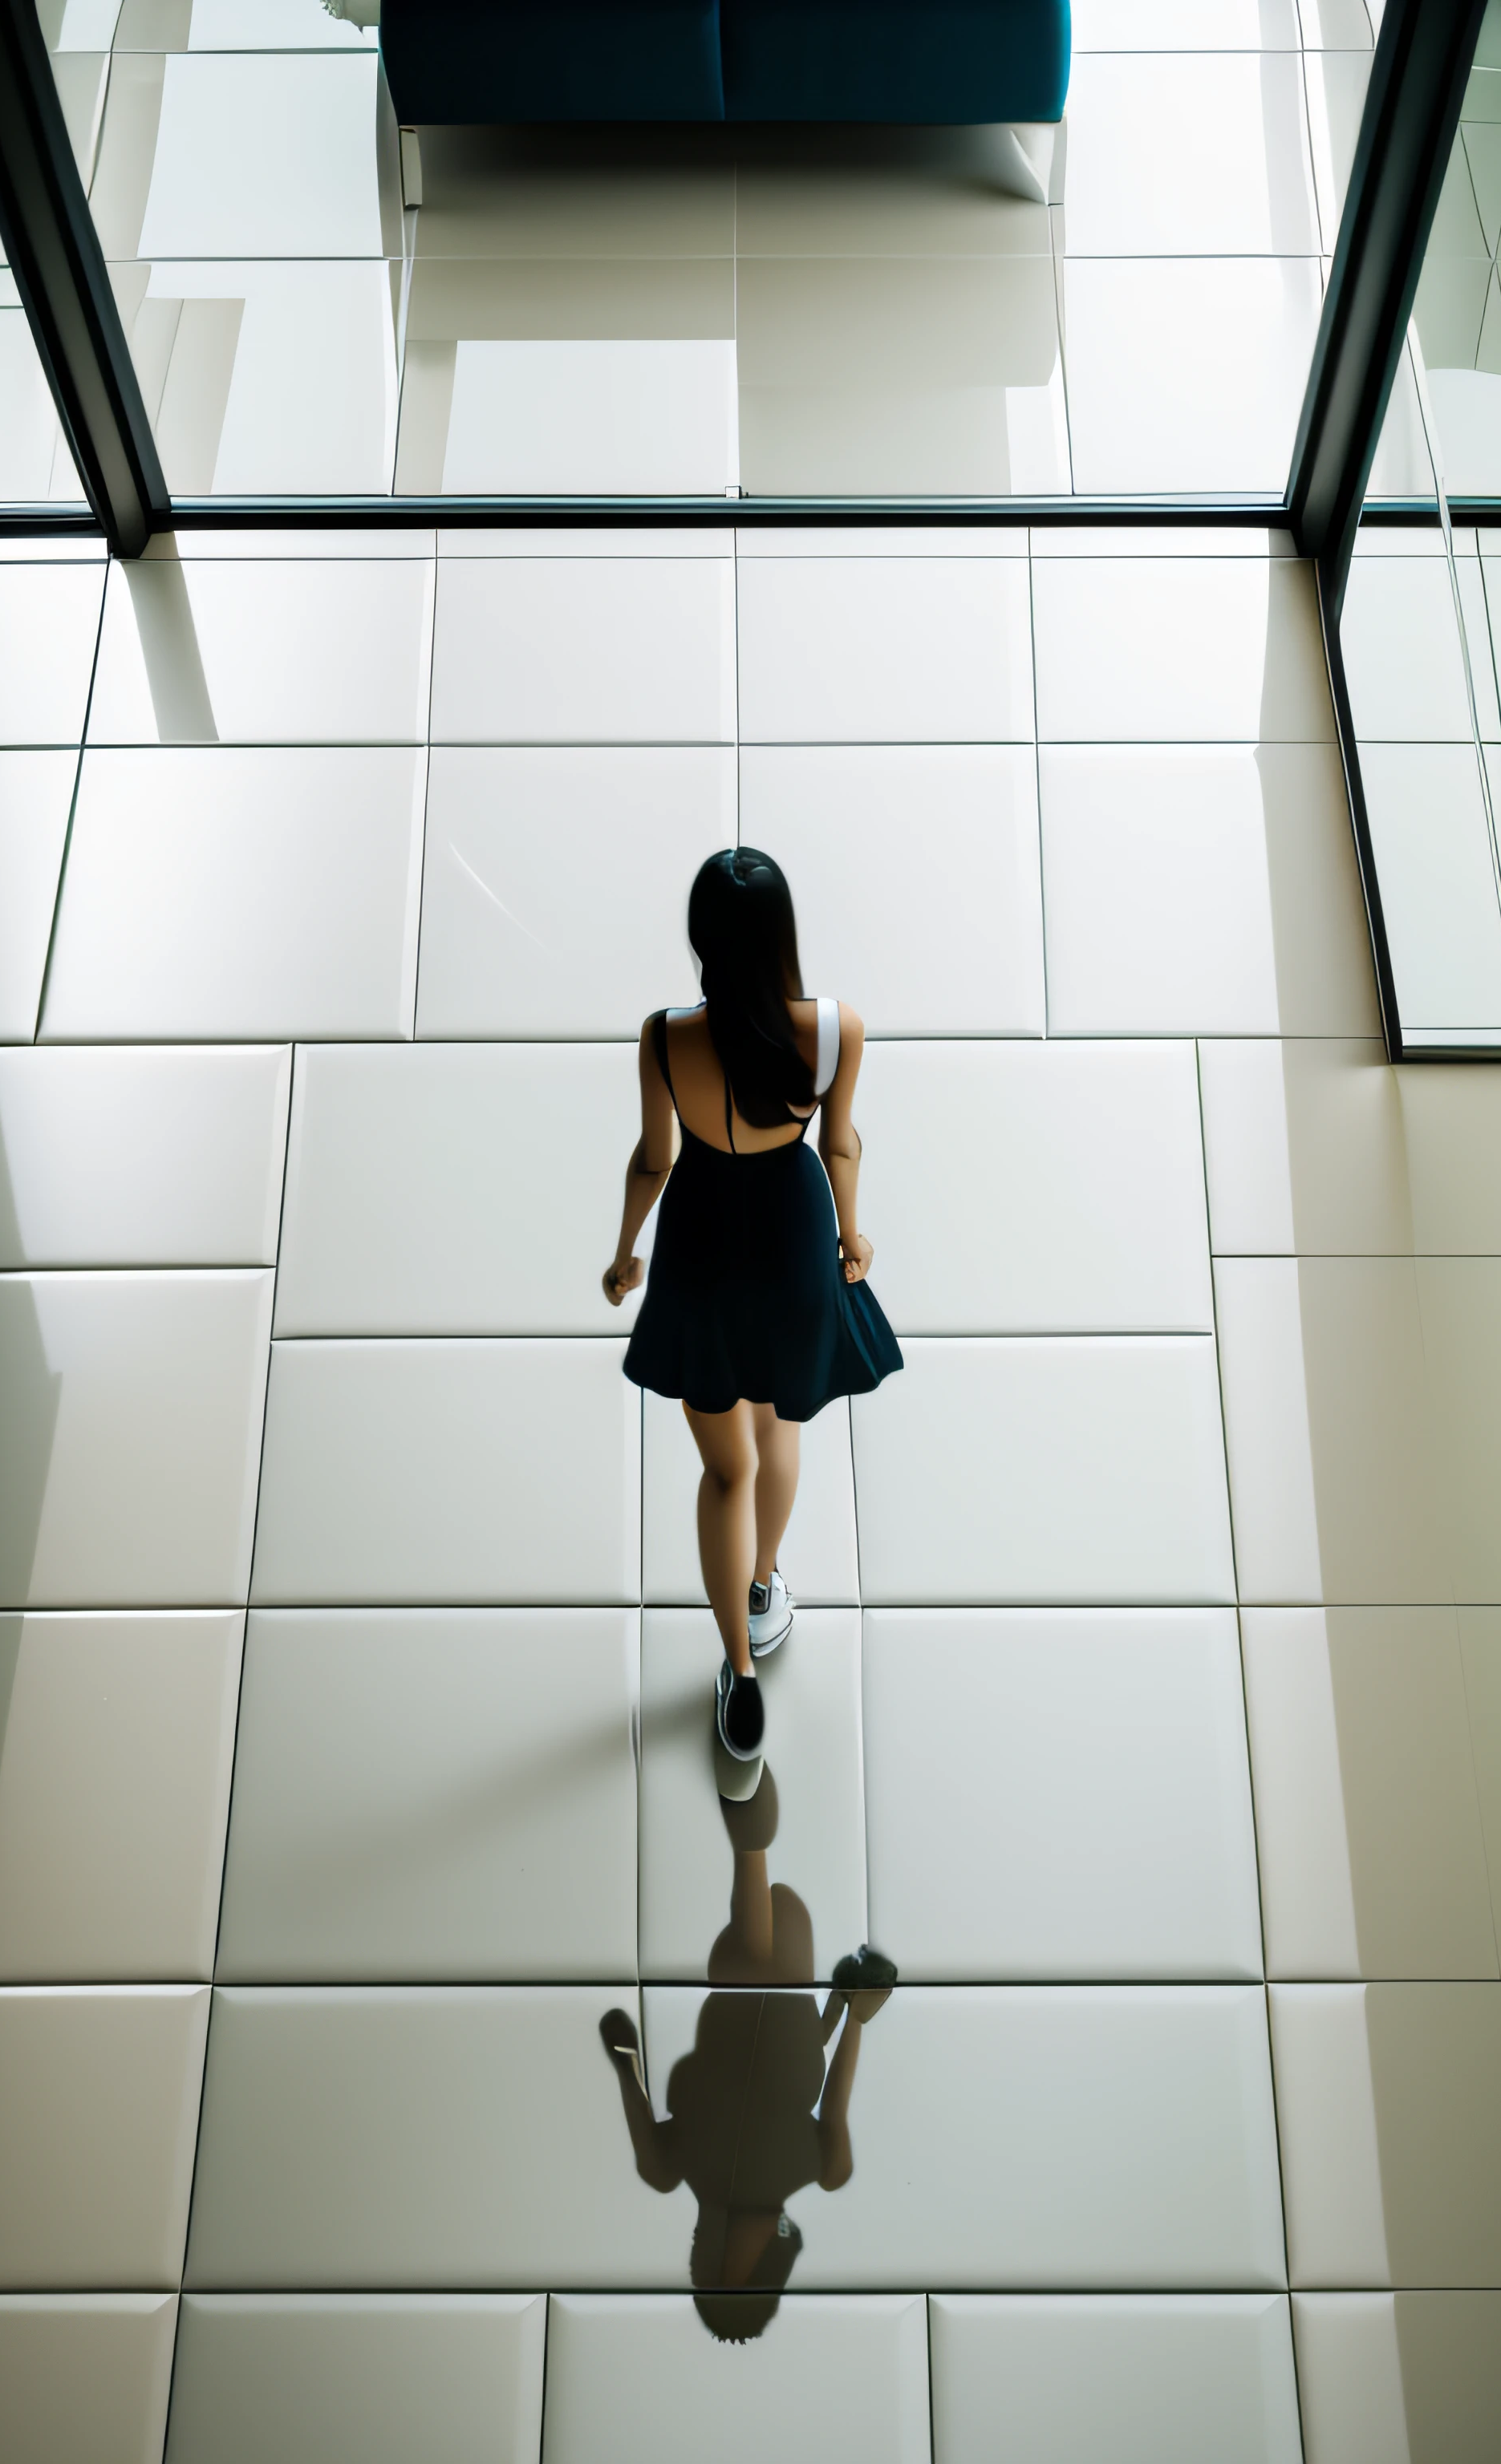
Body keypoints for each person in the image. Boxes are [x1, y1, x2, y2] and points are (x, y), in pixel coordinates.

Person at [603, 848, 902, 1759]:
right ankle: (764, 1581)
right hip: (791, 1242)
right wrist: (851, 1234)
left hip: (699, 1248)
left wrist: (625, 1255)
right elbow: (840, 1144)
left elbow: (654, 1160)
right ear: (784, 935)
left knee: (722, 1467)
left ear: (700, 937)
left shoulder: (663, 1040)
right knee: (779, 1428)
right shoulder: (834, 1031)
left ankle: (736, 1671)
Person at [598, 1765, 895, 2342]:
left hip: (744, 1975)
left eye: (718, 2276)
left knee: (753, 1961)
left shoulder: (672, 2166)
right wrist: (853, 2016)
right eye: (742, 2279)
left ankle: (747, 1811)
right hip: (793, 1976)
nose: (731, 2260)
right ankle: (747, 1814)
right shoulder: (818, 2169)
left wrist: (624, 2056)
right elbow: (832, 2108)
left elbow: (627, 2068)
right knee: (765, 1962)